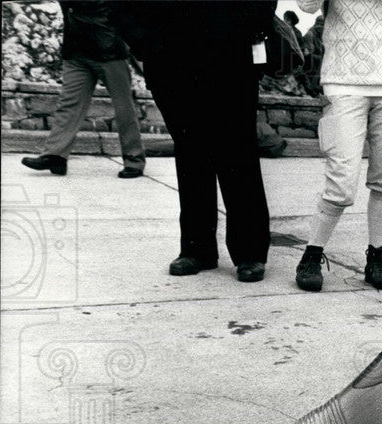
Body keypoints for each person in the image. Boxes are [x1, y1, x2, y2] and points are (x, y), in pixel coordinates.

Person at [108, 0, 273, 282]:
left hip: (230, 55)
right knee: (191, 151)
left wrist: (248, 27)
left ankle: (250, 252)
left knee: (238, 151)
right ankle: (197, 249)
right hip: (169, 58)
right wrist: (146, 42)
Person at [293, 0, 382, 294]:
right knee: (341, 184)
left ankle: (376, 257)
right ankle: (311, 255)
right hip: (343, 84)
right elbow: (306, 5)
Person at [21, 0, 144, 178]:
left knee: (123, 107)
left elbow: (127, 17)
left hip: (108, 51)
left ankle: (134, 161)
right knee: (68, 103)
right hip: (76, 52)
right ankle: (55, 156)